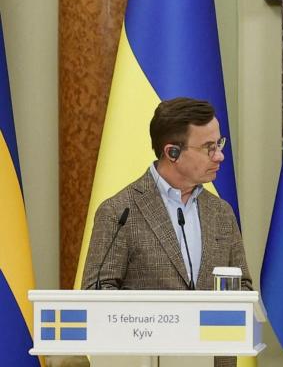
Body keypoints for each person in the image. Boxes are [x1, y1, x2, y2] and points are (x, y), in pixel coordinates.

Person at [82, 97, 251, 367]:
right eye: (209, 147)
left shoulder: (221, 213)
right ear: (172, 152)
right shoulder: (120, 211)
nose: (219, 155)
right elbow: (97, 293)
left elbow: (244, 287)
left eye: (219, 144)